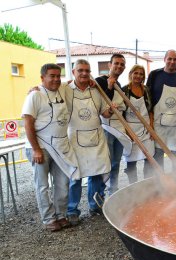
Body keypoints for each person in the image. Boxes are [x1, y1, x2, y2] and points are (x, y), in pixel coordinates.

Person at [22, 63, 79, 232]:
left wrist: (90, 82)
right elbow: (28, 123)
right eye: (51, 76)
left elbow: (75, 80)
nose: (55, 79)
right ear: (42, 78)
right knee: (42, 186)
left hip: (60, 146)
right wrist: (36, 149)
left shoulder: (62, 88)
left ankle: (61, 215)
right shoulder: (35, 95)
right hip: (40, 147)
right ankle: (48, 219)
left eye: (57, 75)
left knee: (62, 183)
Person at [65, 59, 114, 225]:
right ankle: (72, 210)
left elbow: (103, 113)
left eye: (87, 70)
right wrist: (34, 89)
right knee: (75, 176)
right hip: (75, 138)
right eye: (80, 70)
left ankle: (95, 205)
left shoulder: (95, 90)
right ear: (74, 72)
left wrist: (110, 110)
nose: (84, 73)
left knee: (97, 172)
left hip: (96, 136)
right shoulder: (65, 89)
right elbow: (47, 90)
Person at [146, 49, 176, 175]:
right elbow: (147, 97)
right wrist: (150, 120)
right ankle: (161, 183)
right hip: (158, 123)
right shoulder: (154, 75)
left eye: (175, 59)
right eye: (169, 59)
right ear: (164, 59)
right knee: (158, 155)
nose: (172, 62)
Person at [95, 54, 129, 196]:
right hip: (105, 128)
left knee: (115, 164)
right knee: (104, 164)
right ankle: (97, 198)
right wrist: (109, 87)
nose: (119, 66)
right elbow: (101, 105)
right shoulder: (99, 81)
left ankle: (112, 192)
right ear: (109, 65)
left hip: (119, 129)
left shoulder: (119, 85)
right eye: (116, 63)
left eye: (122, 64)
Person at [122, 65, 154, 183]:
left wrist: (151, 128)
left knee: (149, 159)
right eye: (136, 73)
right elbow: (121, 114)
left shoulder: (146, 90)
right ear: (130, 74)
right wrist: (127, 132)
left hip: (145, 129)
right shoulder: (124, 90)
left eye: (141, 74)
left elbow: (150, 110)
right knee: (131, 162)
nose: (138, 76)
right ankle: (134, 186)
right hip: (130, 130)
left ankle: (147, 184)